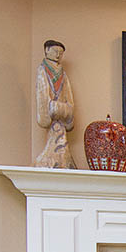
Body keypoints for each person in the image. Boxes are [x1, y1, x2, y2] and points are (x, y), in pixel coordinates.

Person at [35, 39, 77, 168]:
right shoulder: (42, 70)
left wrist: (66, 110)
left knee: (62, 143)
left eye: (60, 52)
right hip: (51, 112)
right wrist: (53, 107)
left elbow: (68, 95)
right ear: (46, 50)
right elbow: (42, 94)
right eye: (55, 51)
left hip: (61, 114)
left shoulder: (63, 74)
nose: (58, 55)